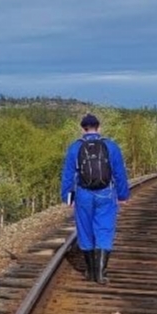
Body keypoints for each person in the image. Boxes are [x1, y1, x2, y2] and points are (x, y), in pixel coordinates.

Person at [60, 112, 130, 284]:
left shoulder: (75, 148)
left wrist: (68, 197)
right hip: (106, 193)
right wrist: (122, 195)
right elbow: (120, 174)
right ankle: (100, 273)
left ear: (82, 129)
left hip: (83, 194)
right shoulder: (111, 146)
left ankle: (90, 272)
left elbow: (68, 176)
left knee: (85, 230)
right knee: (104, 229)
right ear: (99, 128)